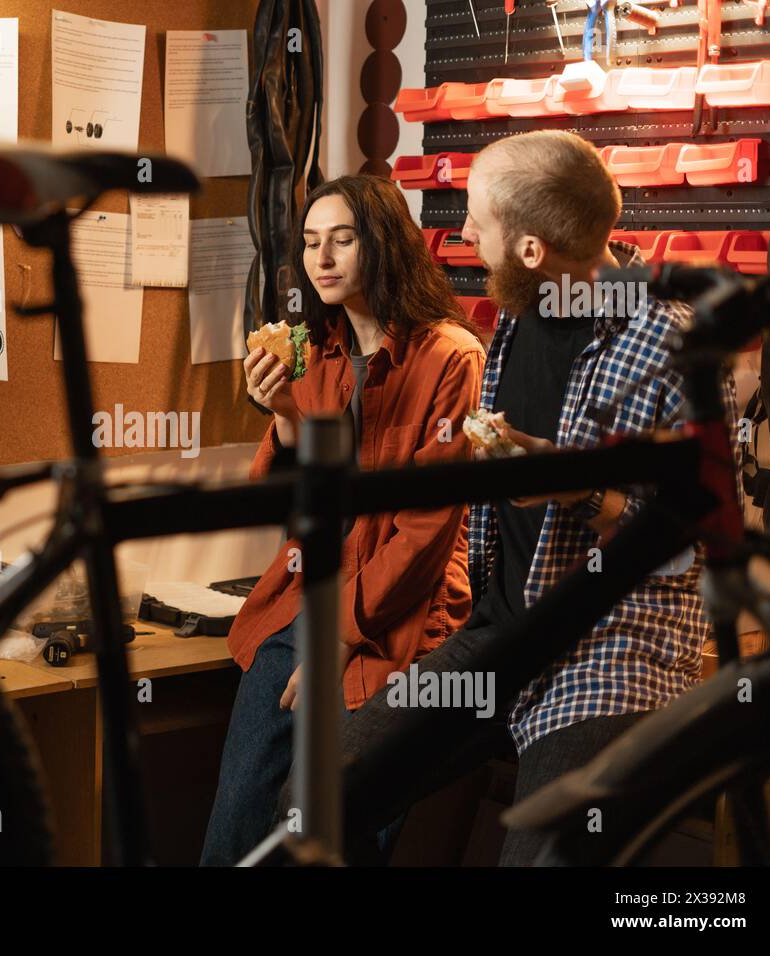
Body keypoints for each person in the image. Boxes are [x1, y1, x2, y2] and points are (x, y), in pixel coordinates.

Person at [294, 129, 739, 866]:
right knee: (319, 794)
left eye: (475, 219)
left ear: (533, 249)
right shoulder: (517, 313)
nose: (462, 235)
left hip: (603, 654)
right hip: (498, 637)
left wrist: (574, 488)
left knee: (544, 857)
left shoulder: (679, 346)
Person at [199, 175, 486, 866]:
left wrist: (342, 641)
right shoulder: (309, 352)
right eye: (310, 242)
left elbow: (426, 531)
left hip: (401, 620)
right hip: (305, 602)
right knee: (237, 824)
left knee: (334, 834)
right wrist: (285, 419)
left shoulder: (450, 356)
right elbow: (290, 506)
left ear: (382, 242)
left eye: (343, 239)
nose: (321, 258)